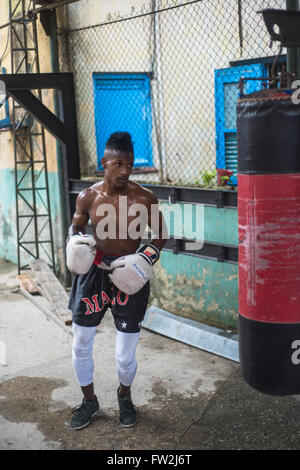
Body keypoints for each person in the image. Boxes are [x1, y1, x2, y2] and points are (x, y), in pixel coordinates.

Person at [67, 131, 167, 430]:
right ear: (105, 162)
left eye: (130, 165)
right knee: (81, 342)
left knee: (125, 356)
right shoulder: (87, 197)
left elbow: (161, 235)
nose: (125, 171)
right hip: (93, 274)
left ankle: (125, 396)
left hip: (129, 273)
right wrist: (74, 245)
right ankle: (89, 401)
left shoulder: (144, 197)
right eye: (119, 164)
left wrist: (146, 257)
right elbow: (75, 229)